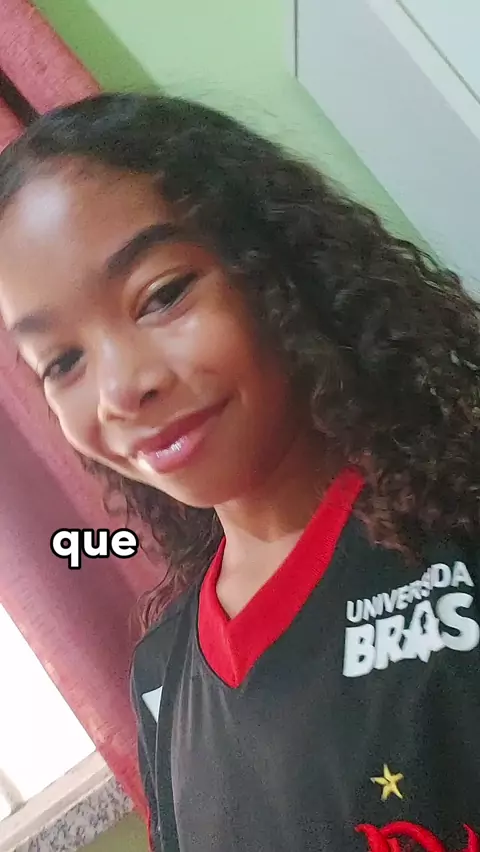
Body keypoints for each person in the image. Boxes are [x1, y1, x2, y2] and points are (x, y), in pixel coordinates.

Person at [0, 93, 478, 852]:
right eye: (62, 361)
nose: (120, 389)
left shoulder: (458, 533)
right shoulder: (162, 680)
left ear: (273, 266)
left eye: (161, 296)